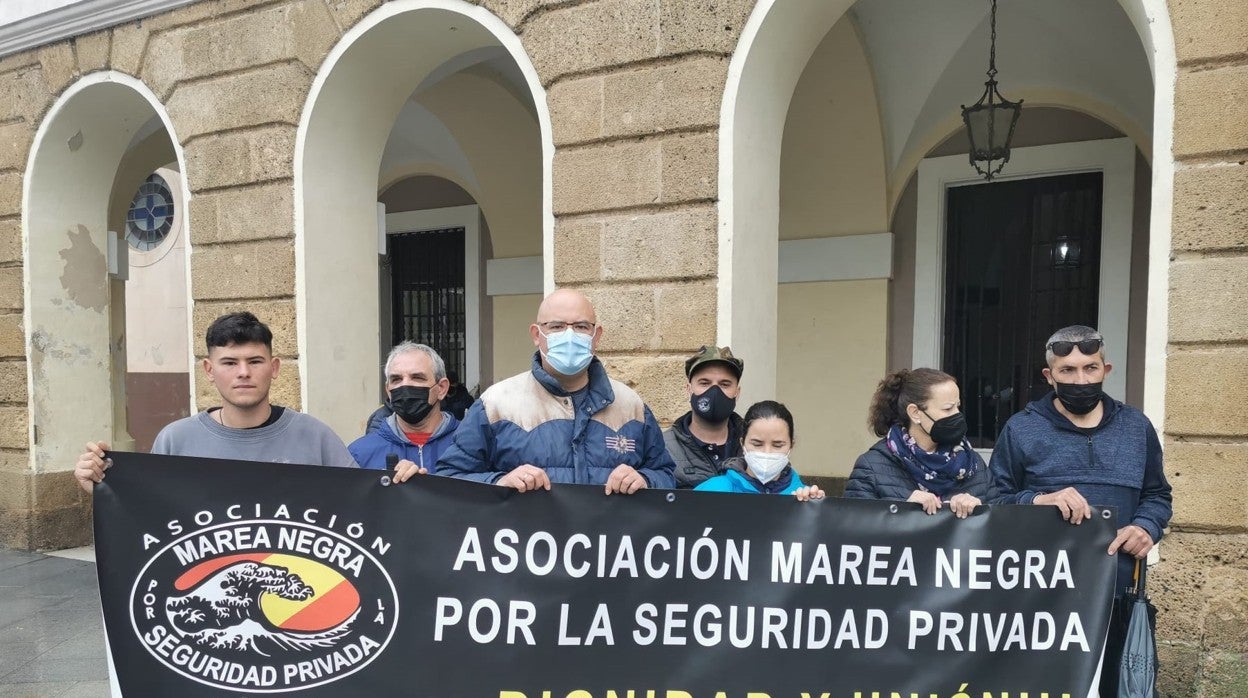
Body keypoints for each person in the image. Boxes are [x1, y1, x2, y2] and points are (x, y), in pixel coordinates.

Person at [989, 325, 1172, 696]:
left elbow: (1158, 494)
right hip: (1041, 598)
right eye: (1067, 371)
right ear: (1049, 375)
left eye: (1090, 368)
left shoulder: (1137, 427)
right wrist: (1037, 500)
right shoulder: (1021, 428)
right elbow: (993, 500)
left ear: (1106, 370)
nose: (1080, 379)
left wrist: (1147, 526)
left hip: (1119, 591)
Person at [75, 312, 356, 491]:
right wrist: (102, 488)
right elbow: (150, 512)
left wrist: (399, 483)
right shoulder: (176, 440)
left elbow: (362, 502)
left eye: (255, 361)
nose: (243, 372)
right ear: (209, 370)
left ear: (275, 367)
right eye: (230, 362)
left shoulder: (315, 437)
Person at [436, 289, 675, 493]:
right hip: (527, 545)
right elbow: (449, 478)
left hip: (608, 545)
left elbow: (665, 475)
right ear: (536, 335)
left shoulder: (631, 405)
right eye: (556, 326)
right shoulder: (496, 404)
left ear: (596, 336)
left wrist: (645, 480)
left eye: (581, 326)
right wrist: (499, 482)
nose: (569, 335)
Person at [845, 368, 993, 518]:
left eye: (958, 406)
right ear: (915, 413)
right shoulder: (872, 467)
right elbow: (853, 527)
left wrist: (980, 511)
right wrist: (900, 509)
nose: (957, 415)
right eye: (948, 408)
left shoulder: (973, 463)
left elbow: (1001, 524)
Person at [348, 342, 458, 482]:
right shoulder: (359, 454)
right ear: (388, 390)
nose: (405, 385)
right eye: (396, 379)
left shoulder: (472, 445)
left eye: (417, 377)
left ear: (442, 388)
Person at [694, 401, 823, 501]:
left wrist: (816, 508)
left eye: (777, 445)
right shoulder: (711, 491)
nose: (767, 452)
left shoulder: (804, 497)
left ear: (791, 446)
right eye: (757, 444)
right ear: (742, 443)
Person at [664, 345, 746, 488]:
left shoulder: (755, 445)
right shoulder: (664, 447)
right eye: (704, 383)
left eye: (725, 384)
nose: (714, 391)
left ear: (737, 393)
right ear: (689, 390)